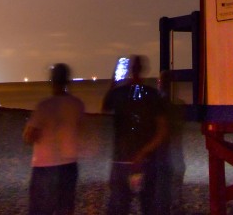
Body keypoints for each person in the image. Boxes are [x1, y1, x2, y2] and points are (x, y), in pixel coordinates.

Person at [102, 55, 169, 215]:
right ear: (143, 70)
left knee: (119, 205)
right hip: (147, 160)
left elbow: (105, 107)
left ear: (130, 70)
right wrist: (144, 151)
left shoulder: (118, 93)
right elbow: (162, 130)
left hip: (121, 159)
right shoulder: (153, 95)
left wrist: (114, 81)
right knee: (148, 204)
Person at [23, 63, 86, 215]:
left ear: (52, 80)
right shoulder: (77, 104)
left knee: (39, 210)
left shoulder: (44, 106)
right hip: (69, 165)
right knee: (65, 208)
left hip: (45, 166)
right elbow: (80, 130)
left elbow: (29, 136)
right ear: (67, 80)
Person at [156, 70, 186, 215]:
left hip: (164, 151)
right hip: (176, 149)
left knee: (163, 182)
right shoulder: (179, 105)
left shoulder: (158, 104)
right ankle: (176, 206)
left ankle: (167, 207)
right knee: (176, 181)